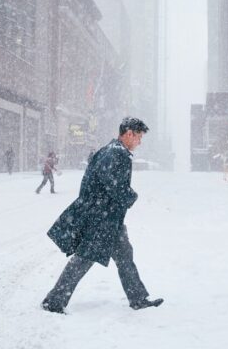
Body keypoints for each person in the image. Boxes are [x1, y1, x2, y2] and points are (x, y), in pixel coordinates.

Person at [42, 117, 163, 314]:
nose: (140, 142)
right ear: (129, 134)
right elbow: (113, 185)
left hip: (108, 218)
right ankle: (54, 301)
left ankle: (138, 298)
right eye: (139, 137)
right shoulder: (116, 154)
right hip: (102, 219)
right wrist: (131, 196)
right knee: (83, 259)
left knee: (125, 256)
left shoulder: (111, 150)